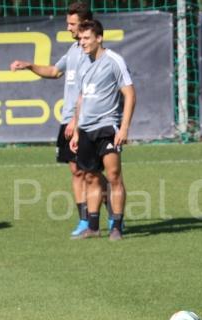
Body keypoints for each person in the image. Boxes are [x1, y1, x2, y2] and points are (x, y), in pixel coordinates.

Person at [9, 2, 110, 237]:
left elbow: (89, 90)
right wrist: (30, 66)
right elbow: (55, 71)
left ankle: (113, 211)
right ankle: (84, 220)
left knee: (91, 173)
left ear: (85, 24)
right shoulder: (74, 50)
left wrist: (77, 120)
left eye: (72, 24)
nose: (68, 27)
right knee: (76, 171)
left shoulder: (93, 52)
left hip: (86, 120)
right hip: (68, 119)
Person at [69, 19, 136, 241]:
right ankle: (93, 226)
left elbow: (129, 94)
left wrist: (124, 128)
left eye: (86, 38)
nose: (82, 42)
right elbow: (81, 99)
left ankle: (116, 225)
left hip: (107, 127)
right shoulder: (82, 62)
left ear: (99, 38)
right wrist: (77, 130)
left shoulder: (114, 61)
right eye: (80, 39)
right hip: (86, 129)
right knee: (90, 177)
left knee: (114, 175)